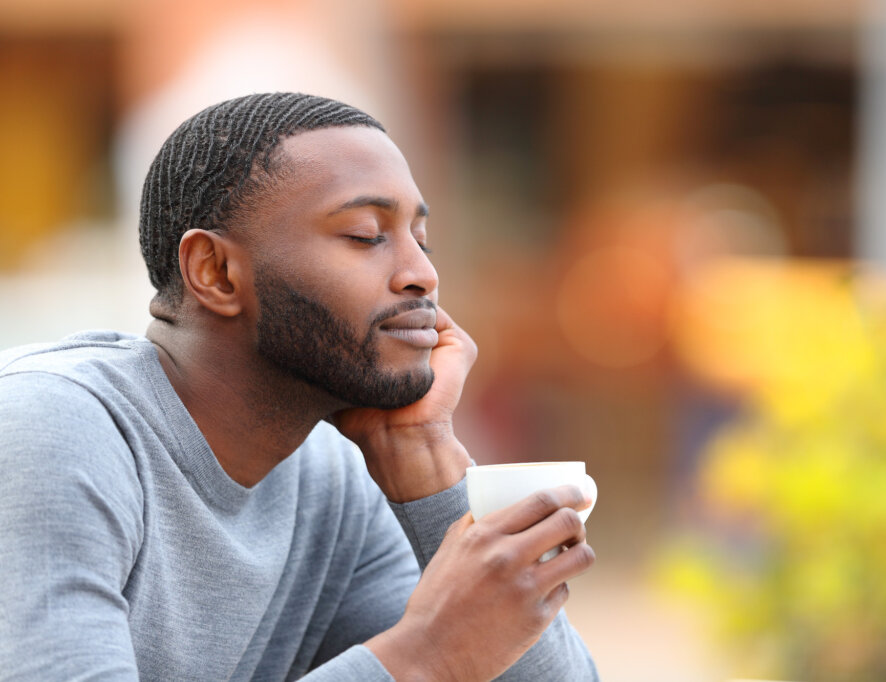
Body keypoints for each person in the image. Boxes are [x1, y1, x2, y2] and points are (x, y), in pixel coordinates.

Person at [0, 92, 598, 681]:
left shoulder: (330, 482)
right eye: (366, 235)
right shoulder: (49, 427)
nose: (422, 274)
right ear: (215, 271)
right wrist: (426, 657)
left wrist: (424, 455)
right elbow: (441, 655)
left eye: (421, 238)